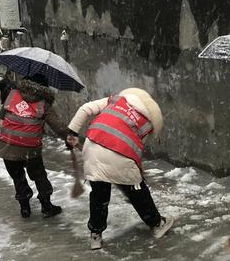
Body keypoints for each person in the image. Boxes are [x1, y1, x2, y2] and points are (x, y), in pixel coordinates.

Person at [67, 88, 174, 250]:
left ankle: (95, 235)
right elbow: (134, 150)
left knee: (99, 196)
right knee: (138, 191)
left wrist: (72, 133)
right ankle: (157, 224)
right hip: (121, 155)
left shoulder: (115, 101)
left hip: (92, 147)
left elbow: (85, 109)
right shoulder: (148, 122)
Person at [0, 74, 68, 219]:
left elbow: (1, 114)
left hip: (8, 145)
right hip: (30, 148)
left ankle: (25, 209)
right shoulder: (44, 103)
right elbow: (59, 127)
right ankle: (47, 207)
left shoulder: (12, 95)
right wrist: (70, 138)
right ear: (44, 88)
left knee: (18, 177)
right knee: (39, 175)